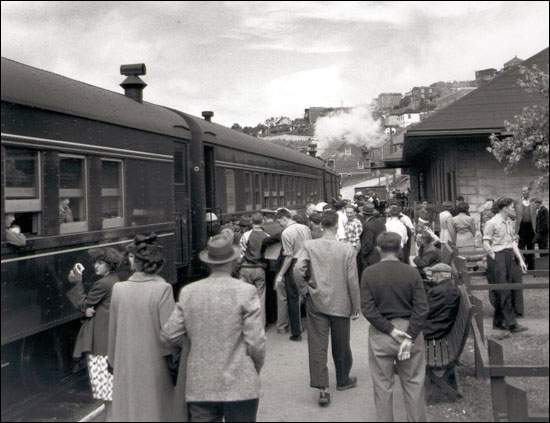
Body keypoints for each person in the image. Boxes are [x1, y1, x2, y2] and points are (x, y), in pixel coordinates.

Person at [161, 234, 265, 422]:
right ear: (233, 262)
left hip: (201, 385)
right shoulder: (246, 292)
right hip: (241, 383)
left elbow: (169, 335)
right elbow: (256, 342)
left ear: (208, 263)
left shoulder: (189, 292)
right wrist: (253, 369)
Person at [108, 233, 180, 421]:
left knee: (129, 410)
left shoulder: (119, 289)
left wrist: (113, 363)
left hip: (126, 364)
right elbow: (170, 335)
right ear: (157, 265)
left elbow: (113, 332)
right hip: (155, 365)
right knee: (155, 410)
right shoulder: (163, 289)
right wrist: (176, 362)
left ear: (135, 263)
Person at [294, 211, 360, 407]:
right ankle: (342, 380)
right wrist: (356, 306)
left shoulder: (309, 245)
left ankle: (322, 389)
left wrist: (305, 290)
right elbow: (352, 280)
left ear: (321, 226)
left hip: (316, 300)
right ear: (337, 225)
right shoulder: (347, 249)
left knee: (317, 345)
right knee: (341, 343)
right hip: (341, 302)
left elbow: (298, 270)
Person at [361, 231, 429, 422]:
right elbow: (422, 308)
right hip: (409, 331)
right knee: (414, 384)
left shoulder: (368, 273)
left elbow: (368, 308)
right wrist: (409, 335)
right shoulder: (412, 272)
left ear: (378, 249)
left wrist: (390, 330)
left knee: (382, 386)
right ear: (400, 249)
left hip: (382, 334)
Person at [66, 247, 122, 417]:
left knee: (105, 391)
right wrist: (89, 309)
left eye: (100, 263)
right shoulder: (114, 280)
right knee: (110, 390)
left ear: (109, 265)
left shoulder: (102, 284)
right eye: (96, 263)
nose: (96, 266)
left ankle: (110, 419)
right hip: (109, 339)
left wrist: (77, 283)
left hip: (100, 343)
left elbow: (84, 305)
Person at [483, 198, 528, 334]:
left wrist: (520, 260)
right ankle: (511, 324)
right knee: (503, 290)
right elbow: (486, 243)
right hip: (498, 257)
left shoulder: (509, 221)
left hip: (509, 256)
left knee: (506, 288)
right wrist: (495, 258)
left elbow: (512, 243)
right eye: (512, 207)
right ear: (504, 208)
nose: (514, 209)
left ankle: (498, 322)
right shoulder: (492, 223)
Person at [275, 208, 311, 341]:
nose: (280, 225)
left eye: (280, 222)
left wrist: (280, 274)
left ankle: (296, 332)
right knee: (308, 295)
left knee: (293, 299)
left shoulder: (286, 233)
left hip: (294, 264)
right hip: (307, 261)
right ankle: (313, 327)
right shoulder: (305, 228)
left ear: (284, 218)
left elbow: (288, 256)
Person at [239, 212, 271, 326]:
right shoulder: (267, 236)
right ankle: (260, 325)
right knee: (260, 298)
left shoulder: (246, 235)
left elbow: (241, 253)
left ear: (251, 222)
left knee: (245, 297)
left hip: (246, 269)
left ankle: (245, 323)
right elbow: (269, 255)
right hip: (260, 269)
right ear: (262, 222)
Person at [422, 263, 460, 340]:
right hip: (438, 327)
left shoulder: (439, 291)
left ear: (439, 275)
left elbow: (425, 311)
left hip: (433, 330)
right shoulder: (448, 287)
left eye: (433, 273)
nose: (431, 276)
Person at [359, 203, 386, 274]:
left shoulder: (367, 225)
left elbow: (368, 243)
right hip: (381, 253)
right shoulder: (381, 223)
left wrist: (363, 254)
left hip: (371, 257)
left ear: (364, 214)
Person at [516, 186, 537, 270]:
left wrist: (536, 228)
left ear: (529, 192)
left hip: (530, 227)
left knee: (530, 246)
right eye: (523, 191)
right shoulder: (517, 202)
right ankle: (521, 265)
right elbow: (513, 213)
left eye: (526, 191)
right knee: (521, 246)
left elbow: (535, 216)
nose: (525, 193)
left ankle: (531, 267)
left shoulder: (533, 203)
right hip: (521, 226)